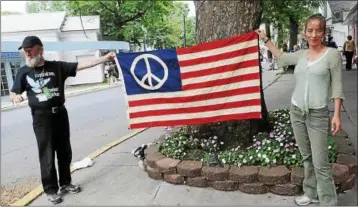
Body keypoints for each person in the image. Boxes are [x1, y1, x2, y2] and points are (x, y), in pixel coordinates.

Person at [10, 36, 116, 204]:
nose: (28, 54)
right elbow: (14, 91)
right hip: (41, 118)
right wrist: (15, 97)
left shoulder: (57, 67)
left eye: (30, 51)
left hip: (60, 114)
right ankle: (51, 190)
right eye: (25, 52)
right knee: (47, 154)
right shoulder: (24, 71)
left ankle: (66, 183)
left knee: (64, 151)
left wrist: (105, 58)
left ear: (41, 49)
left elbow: (82, 64)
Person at [256, 13, 344, 206]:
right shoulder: (301, 55)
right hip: (296, 112)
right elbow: (281, 57)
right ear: (304, 33)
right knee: (306, 157)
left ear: (324, 32)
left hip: (318, 114)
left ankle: (329, 202)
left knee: (320, 163)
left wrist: (336, 114)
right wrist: (265, 39)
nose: (314, 35)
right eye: (310, 30)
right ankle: (310, 193)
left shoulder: (332, 55)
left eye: (318, 30)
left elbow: (337, 87)